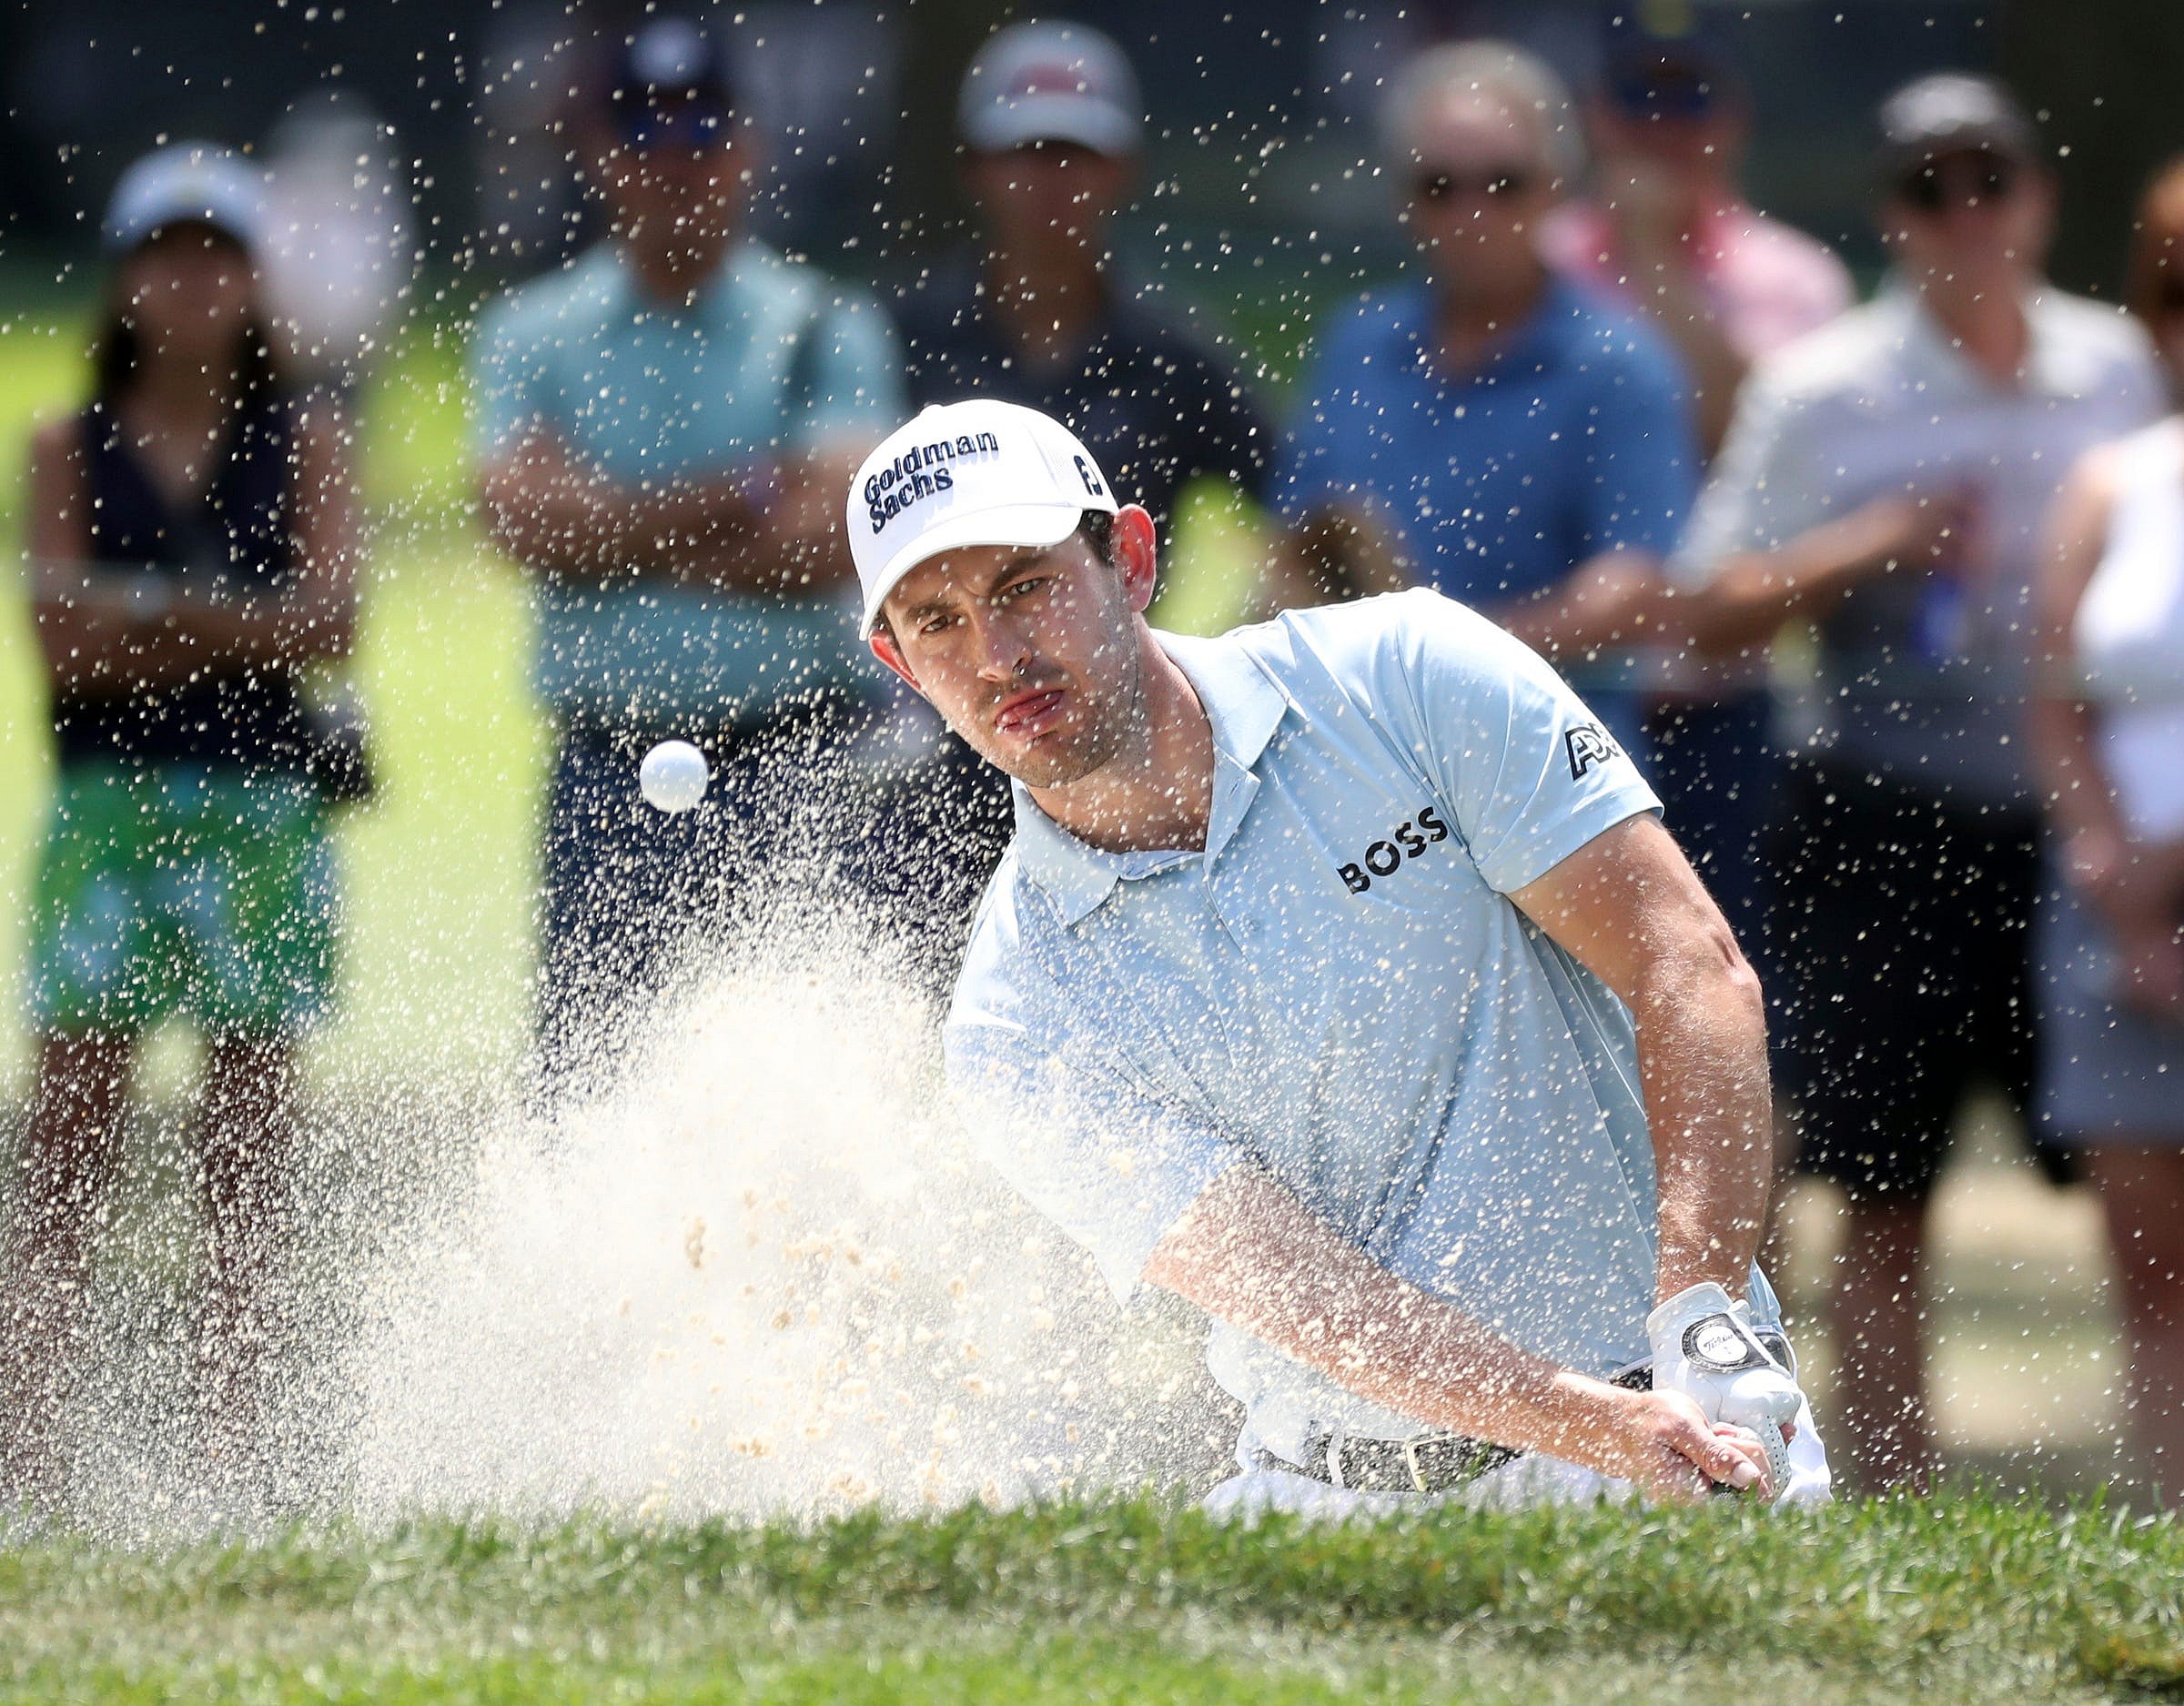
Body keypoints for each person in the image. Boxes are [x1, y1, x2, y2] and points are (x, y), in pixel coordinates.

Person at [845, 396, 1830, 1511]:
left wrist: (1703, 1322)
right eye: (939, 621)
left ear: (1127, 560)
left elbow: (1688, 968)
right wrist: (1597, 1426)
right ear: (898, 662)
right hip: (1336, 1504)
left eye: (1025, 585)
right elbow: (1309, 1298)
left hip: (1690, 1417)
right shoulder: (1013, 1020)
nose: (1000, 653)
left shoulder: (1407, 673)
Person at [1673, 74, 2167, 1489]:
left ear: (2037, 195)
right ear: (1892, 213)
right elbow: (1705, 613)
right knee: (1881, 1194)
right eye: (1928, 189)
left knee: (2139, 1179)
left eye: (1988, 182)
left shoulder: (2119, 366)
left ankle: (2158, 1501)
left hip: (2078, 828)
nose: (1964, 216)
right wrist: (1865, 550)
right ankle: (1893, 1498)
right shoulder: (1822, 388)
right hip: (1880, 817)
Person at [0, 145, 360, 1500]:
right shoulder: (64, 441)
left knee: (246, 1155)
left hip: (261, 817)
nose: (191, 281)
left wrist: (145, 608)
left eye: (216, 254)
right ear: (125, 275)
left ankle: (239, 1450)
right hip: (106, 813)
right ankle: (26, 1446)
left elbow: (331, 625)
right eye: (167, 253)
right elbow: (57, 639)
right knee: (70, 1141)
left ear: (255, 279)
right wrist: (231, 625)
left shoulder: (309, 436)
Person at [472, 17, 905, 1086]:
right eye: (645, 136)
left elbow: (833, 537)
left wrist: (615, 528)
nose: (675, 164)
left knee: (798, 1092)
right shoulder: (531, 330)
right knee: (588, 1087)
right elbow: (530, 526)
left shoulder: (821, 321)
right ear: (598, 153)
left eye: (702, 134)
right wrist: (739, 494)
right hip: (602, 773)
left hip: (795, 764)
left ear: (747, 147)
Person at [884, 19, 1278, 967]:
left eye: (1072, 155)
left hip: (1116, 744)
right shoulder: (905, 334)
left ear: (1122, 169)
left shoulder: (1177, 354)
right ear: (976, 169)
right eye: (1024, 154)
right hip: (941, 748)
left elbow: (1305, 526)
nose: (1047, 182)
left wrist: (1224, 669)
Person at [1273, 40, 1699, 766]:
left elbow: (1632, 593)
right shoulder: (1358, 344)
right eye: (1441, 185)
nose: (1472, 211)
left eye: (1503, 183)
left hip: (1551, 770)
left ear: (1557, 189)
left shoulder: (1619, 364)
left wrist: (1432, 661)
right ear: (1405, 198)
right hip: (1366, 766)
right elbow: (1295, 544)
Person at [1542, 15, 1855, 966]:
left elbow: (1756, 451)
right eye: (1641, 97)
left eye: (1690, 99)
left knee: (1730, 983)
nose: (1663, 126)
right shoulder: (1538, 258)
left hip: (1725, 699)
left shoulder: (1797, 280)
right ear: (1597, 114)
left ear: (1734, 119)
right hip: (1568, 683)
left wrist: (1655, 265)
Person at [2028, 156, 2184, 1503]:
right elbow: (2057, 698)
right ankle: (2163, 1528)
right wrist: (2125, 891)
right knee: (2153, 1279)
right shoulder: (2112, 481)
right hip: (2115, 905)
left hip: (2151, 882)